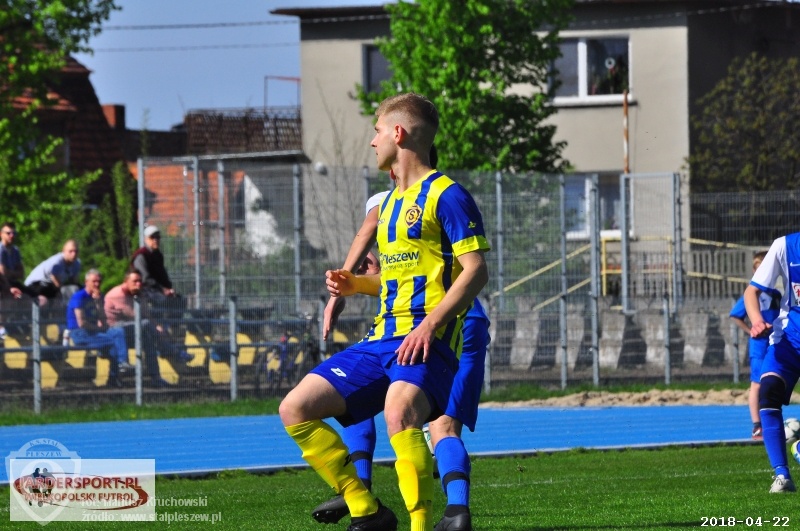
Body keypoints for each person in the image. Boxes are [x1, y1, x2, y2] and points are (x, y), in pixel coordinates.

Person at [279, 92, 490, 531]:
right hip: (382, 339)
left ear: (398, 133)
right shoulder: (389, 204)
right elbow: (395, 279)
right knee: (295, 407)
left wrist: (431, 325)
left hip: (427, 339)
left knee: (399, 411)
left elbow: (475, 271)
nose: (373, 141)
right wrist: (352, 285)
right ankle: (368, 511)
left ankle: (422, 524)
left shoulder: (447, 195)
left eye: (377, 131)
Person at [745, 233, 800, 493]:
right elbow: (751, 292)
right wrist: (757, 320)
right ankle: (782, 475)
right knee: (767, 392)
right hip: (788, 339)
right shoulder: (784, 246)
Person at [104, 269, 192, 387]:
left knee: (149, 342)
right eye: (135, 281)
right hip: (114, 331)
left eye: (140, 281)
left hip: (131, 331)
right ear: (126, 281)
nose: (138, 284)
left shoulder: (137, 293)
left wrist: (157, 326)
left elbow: (146, 314)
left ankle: (156, 378)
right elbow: (134, 315)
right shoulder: (117, 295)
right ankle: (173, 351)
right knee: (145, 324)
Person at [730, 251, 780, 441]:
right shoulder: (752, 295)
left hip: (776, 344)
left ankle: (771, 421)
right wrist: (751, 329)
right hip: (760, 346)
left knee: (774, 382)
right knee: (757, 384)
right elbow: (735, 315)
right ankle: (757, 426)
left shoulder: (776, 294)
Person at [66, 269, 131, 388]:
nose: (97, 284)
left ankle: (121, 365)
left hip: (93, 332)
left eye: (99, 281)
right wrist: (99, 329)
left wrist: (98, 303)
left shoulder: (97, 297)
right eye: (94, 281)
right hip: (80, 333)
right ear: (86, 282)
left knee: (118, 332)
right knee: (113, 343)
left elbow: (102, 319)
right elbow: (82, 323)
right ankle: (116, 373)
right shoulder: (79, 297)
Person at [24, 240, 82, 305]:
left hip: (50, 285)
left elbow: (74, 281)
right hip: (35, 284)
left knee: (78, 289)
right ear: (64, 251)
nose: (74, 254)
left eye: (76, 251)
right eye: (70, 251)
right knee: (57, 296)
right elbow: (55, 280)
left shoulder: (77, 263)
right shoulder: (57, 262)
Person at [0, 222, 25, 300]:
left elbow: (21, 274)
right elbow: (2, 273)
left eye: (14, 233)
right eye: (8, 233)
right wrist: (14, 273)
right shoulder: (1, 250)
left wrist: (9, 273)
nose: (12, 235)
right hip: (3, 285)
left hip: (13, 283)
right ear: (1, 234)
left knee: (29, 295)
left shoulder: (15, 250)